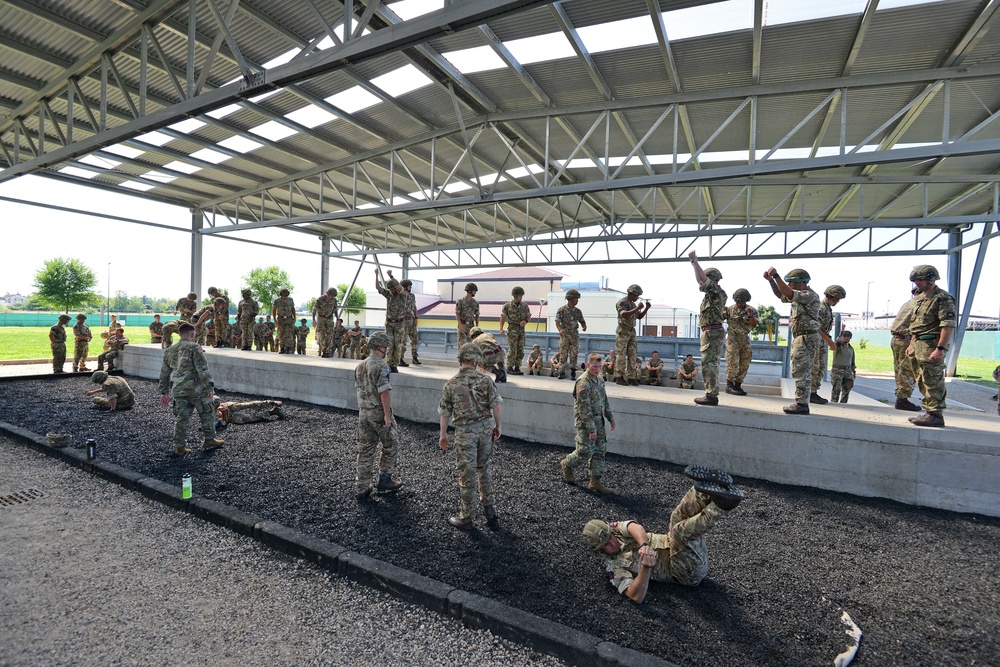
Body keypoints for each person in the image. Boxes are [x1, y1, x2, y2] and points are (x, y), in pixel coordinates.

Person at [581, 466, 745, 603]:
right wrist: (646, 567)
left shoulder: (613, 530)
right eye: (606, 546)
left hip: (672, 544)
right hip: (685, 572)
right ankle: (722, 506)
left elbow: (634, 527)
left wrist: (644, 545)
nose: (612, 544)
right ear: (600, 551)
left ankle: (708, 492)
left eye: (610, 539)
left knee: (675, 518)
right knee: (680, 532)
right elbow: (635, 596)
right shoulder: (614, 568)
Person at [439, 343, 503, 531]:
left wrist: (443, 434)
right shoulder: (486, 380)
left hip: (465, 433)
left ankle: (467, 517)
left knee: (466, 474)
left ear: (460, 359)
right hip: (484, 430)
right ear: (476, 360)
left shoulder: (451, 383)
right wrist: (498, 426)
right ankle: (489, 509)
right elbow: (496, 407)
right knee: (484, 468)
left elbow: (445, 412)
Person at [158, 322, 224, 455]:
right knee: (207, 413)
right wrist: (209, 387)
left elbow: (164, 373)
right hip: (197, 390)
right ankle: (209, 439)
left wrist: (164, 392)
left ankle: (180, 447)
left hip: (179, 390)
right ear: (192, 334)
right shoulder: (194, 347)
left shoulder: (170, 350)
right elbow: (202, 369)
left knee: (181, 418)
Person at [353, 331, 403, 500]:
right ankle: (385, 479)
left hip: (363, 413)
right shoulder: (381, 366)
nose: (386, 351)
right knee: (391, 443)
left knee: (366, 450)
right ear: (380, 347)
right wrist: (387, 416)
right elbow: (384, 393)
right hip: (378, 413)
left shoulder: (360, 365)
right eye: (385, 347)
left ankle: (361, 487)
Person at [764, 267, 820, 415]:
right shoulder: (799, 295)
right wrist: (771, 281)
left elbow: (787, 293)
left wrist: (776, 276)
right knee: (801, 369)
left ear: (801, 283)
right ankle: (802, 402)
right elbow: (782, 295)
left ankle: (801, 404)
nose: (788, 285)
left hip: (806, 337)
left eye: (791, 283)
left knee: (801, 370)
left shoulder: (809, 295)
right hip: (803, 336)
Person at [905, 265, 956, 428]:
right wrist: (912, 343)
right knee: (922, 378)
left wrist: (940, 349)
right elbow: (917, 324)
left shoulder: (942, 298)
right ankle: (928, 410)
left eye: (920, 280)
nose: (917, 283)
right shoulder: (920, 298)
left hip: (932, 343)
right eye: (915, 281)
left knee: (932, 378)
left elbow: (947, 325)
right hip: (918, 343)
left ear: (931, 279)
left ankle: (935, 414)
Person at [560, 353, 616, 494]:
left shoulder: (599, 380)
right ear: (588, 365)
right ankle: (567, 464)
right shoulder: (583, 383)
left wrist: (610, 417)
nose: (597, 370)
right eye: (594, 367)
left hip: (599, 421)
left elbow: (604, 400)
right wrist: (592, 430)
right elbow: (584, 410)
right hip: (586, 423)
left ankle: (595, 481)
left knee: (600, 451)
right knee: (585, 452)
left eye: (599, 367)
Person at [689, 251, 727, 406]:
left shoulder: (715, 292)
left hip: (712, 332)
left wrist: (694, 261)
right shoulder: (713, 294)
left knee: (709, 363)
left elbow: (702, 279)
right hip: (711, 331)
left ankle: (711, 395)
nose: (700, 284)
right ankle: (711, 393)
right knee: (711, 363)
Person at [810, 285, 845, 404]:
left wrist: (828, 340)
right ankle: (810, 392)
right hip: (816, 341)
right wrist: (829, 341)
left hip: (821, 341)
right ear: (834, 297)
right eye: (838, 299)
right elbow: (816, 327)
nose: (838, 301)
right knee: (814, 367)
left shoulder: (827, 308)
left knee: (819, 368)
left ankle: (813, 392)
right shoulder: (822, 308)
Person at [613, 284, 651, 386]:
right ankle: (619, 376)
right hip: (623, 331)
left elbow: (639, 317)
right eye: (636, 295)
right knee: (621, 354)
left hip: (631, 331)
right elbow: (624, 314)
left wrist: (646, 309)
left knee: (632, 354)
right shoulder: (622, 302)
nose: (637, 298)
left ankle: (631, 376)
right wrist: (637, 308)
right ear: (632, 294)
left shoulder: (633, 305)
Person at [890, 289, 921, 411]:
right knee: (908, 370)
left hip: (897, 339)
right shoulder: (919, 304)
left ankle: (901, 398)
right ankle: (902, 400)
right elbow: (917, 326)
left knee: (900, 369)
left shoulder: (908, 303)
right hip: (906, 340)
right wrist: (912, 344)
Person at [724, 289, 758, 395]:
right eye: (737, 301)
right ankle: (729, 385)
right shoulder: (730, 309)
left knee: (745, 363)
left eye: (741, 302)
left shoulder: (751, 310)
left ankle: (738, 385)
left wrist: (750, 315)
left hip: (745, 339)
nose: (739, 304)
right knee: (732, 362)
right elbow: (720, 318)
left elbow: (754, 324)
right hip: (732, 339)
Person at [375, 271, 408, 371]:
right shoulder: (388, 294)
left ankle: (395, 365)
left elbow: (398, 286)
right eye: (390, 289)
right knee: (389, 343)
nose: (392, 291)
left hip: (399, 323)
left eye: (393, 289)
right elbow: (378, 288)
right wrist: (376, 275)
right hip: (389, 323)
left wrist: (391, 276)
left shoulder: (402, 295)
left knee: (397, 344)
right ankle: (389, 363)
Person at [555, 289, 587, 380]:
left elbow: (582, 320)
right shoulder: (561, 310)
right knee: (563, 354)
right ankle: (561, 372)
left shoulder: (578, 311)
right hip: (565, 334)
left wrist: (584, 326)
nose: (577, 301)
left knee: (574, 354)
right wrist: (560, 330)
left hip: (574, 335)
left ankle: (573, 371)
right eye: (576, 299)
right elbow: (557, 322)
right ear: (571, 299)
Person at [500, 286, 532, 375]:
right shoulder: (507, 306)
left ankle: (517, 367)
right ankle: (510, 367)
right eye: (520, 295)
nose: (521, 297)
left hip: (521, 330)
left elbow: (529, 316)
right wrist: (501, 329)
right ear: (515, 296)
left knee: (520, 349)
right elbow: (502, 317)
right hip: (512, 329)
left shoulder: (524, 305)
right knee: (513, 349)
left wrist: (525, 321)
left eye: (521, 295)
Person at [829, 331, 857, 403]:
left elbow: (852, 360)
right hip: (837, 370)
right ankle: (834, 403)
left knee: (848, 387)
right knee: (836, 389)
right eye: (844, 336)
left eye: (848, 336)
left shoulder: (851, 348)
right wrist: (841, 332)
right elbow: (837, 342)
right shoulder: (838, 346)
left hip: (847, 370)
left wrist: (853, 371)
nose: (846, 338)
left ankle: (843, 403)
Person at [214, 397, 284, 425]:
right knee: (251, 418)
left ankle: (271, 403)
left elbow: (215, 399)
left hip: (225, 407)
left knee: (247, 405)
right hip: (227, 419)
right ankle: (272, 412)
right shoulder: (204, 423)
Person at [312, 287, 338, 357]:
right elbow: (314, 309)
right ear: (327, 294)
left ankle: (328, 351)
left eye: (333, 296)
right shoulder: (320, 299)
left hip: (329, 318)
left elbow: (335, 310)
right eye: (330, 296)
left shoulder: (334, 300)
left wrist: (338, 319)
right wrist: (313, 320)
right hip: (321, 318)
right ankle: (324, 351)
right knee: (322, 335)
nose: (331, 297)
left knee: (330, 335)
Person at [401, 278, 421, 365]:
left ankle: (415, 357)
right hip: (403, 321)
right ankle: (400, 358)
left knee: (414, 340)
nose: (411, 287)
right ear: (405, 287)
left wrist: (416, 318)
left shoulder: (412, 296)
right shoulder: (400, 295)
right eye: (409, 286)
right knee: (403, 341)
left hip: (412, 320)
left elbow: (414, 307)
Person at [455, 282, 480, 347]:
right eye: (474, 291)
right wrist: (460, 324)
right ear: (469, 291)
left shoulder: (475, 303)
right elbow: (457, 313)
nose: (475, 292)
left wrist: (477, 326)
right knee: (461, 346)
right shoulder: (460, 301)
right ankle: (460, 357)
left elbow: (477, 315)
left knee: (472, 345)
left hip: (471, 326)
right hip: (462, 325)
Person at [272, 288, 296, 354]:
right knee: (280, 334)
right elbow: (274, 310)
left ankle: (288, 348)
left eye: (286, 295)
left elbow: (293, 309)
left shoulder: (290, 300)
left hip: (289, 319)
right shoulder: (277, 301)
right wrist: (275, 320)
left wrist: (294, 317)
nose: (285, 297)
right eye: (283, 295)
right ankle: (282, 348)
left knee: (289, 334)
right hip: (280, 319)